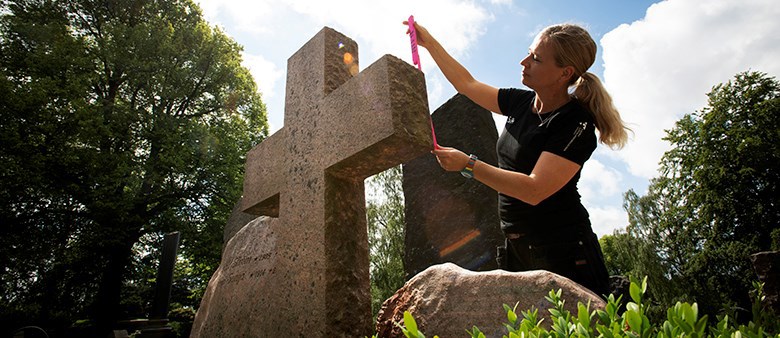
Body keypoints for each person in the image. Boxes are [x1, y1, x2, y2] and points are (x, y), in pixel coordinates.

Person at [404, 19, 630, 297]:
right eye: (529, 52)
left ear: (564, 73)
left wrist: (468, 165)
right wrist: (429, 43)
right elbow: (467, 84)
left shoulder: (574, 124)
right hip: (517, 248)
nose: (524, 62)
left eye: (536, 58)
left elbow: (534, 189)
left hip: (565, 252)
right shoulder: (521, 103)